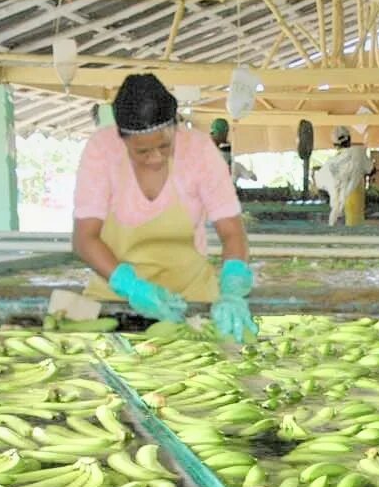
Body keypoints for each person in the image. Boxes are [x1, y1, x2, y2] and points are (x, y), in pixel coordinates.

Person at [72, 74, 256, 342]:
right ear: (123, 139)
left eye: (164, 146)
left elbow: (231, 231)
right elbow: (84, 238)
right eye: (142, 151)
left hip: (190, 298)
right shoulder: (102, 150)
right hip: (116, 297)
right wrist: (131, 286)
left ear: (175, 127)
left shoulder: (200, 151)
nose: (156, 157)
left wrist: (232, 289)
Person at [313, 126, 374, 227]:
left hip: (337, 212)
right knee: (356, 235)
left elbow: (318, 186)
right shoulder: (359, 153)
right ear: (349, 139)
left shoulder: (329, 165)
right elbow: (372, 170)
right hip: (355, 206)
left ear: (335, 145)